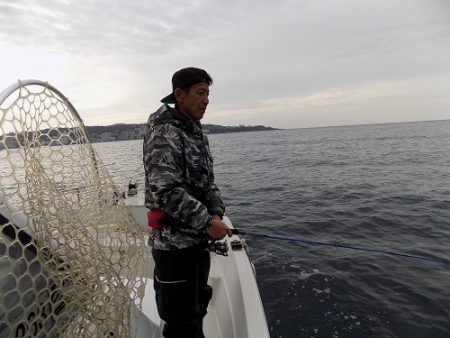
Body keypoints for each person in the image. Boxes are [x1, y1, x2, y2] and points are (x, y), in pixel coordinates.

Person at [143, 67, 233, 338]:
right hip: (174, 248)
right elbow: (165, 190)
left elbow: (207, 184)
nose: (206, 100)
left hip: (197, 243)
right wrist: (207, 222)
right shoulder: (164, 132)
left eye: (208, 93)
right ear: (179, 95)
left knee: (197, 308)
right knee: (180, 321)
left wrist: (216, 213)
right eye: (200, 93)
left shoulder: (195, 132)